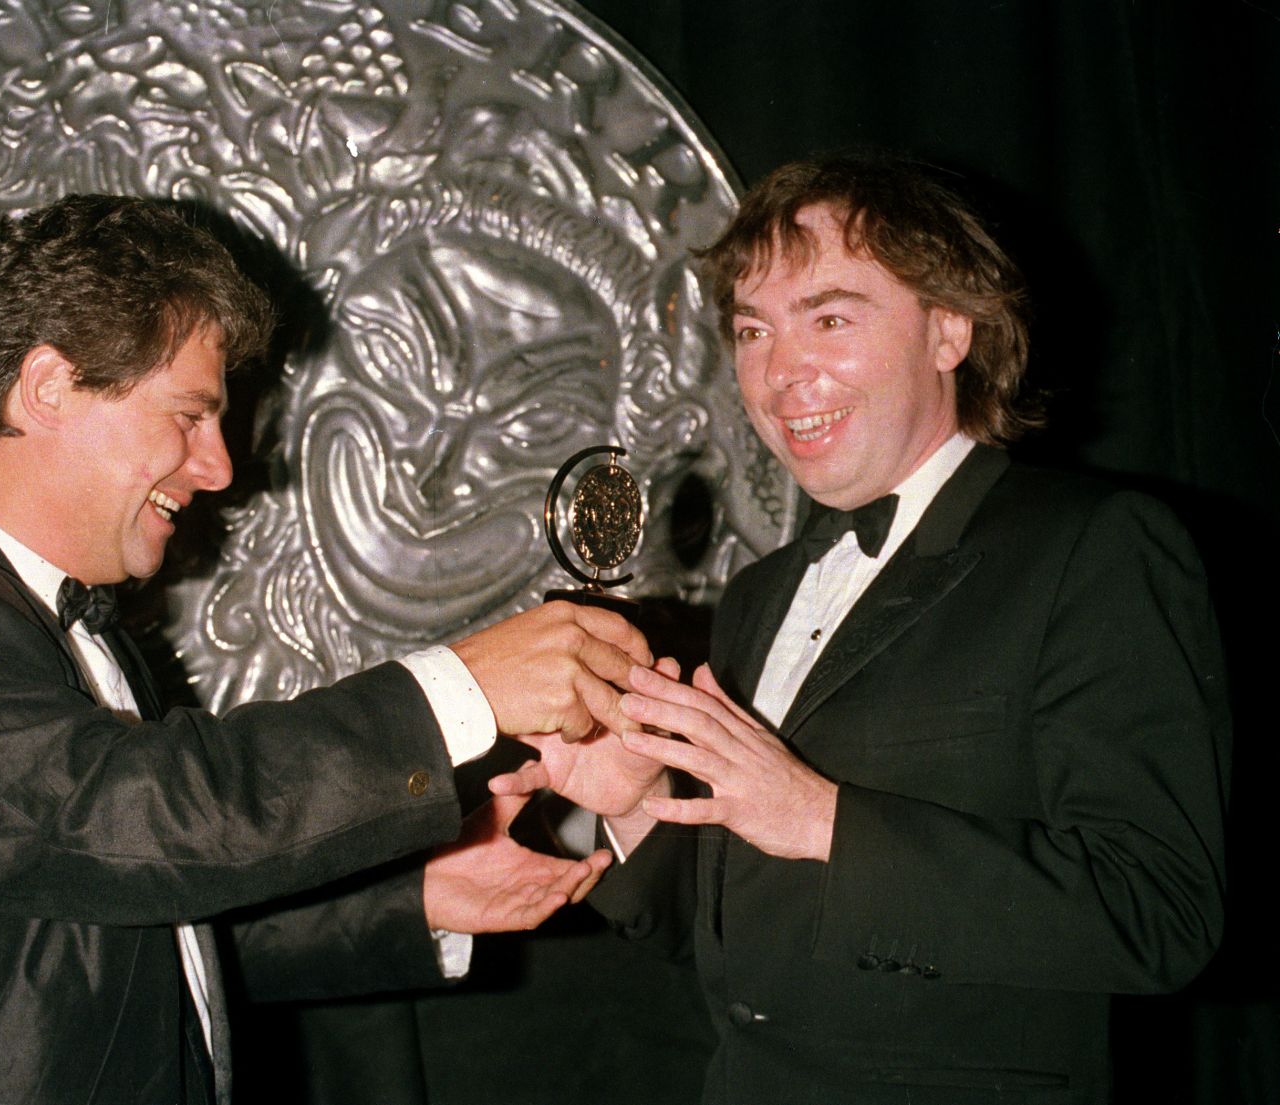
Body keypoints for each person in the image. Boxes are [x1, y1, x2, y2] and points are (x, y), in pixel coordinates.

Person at [0, 194, 653, 1105]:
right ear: (48, 388)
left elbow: (130, 921)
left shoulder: (57, 623)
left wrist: (416, 897)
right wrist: (460, 689)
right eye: (189, 415)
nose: (219, 466)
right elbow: (141, 821)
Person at [494, 154, 1230, 1102]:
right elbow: (748, 944)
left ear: (950, 329)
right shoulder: (759, 597)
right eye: (754, 330)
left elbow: (1161, 911)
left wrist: (821, 818)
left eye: (831, 318)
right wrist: (634, 805)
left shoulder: (1094, 549)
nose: (780, 371)